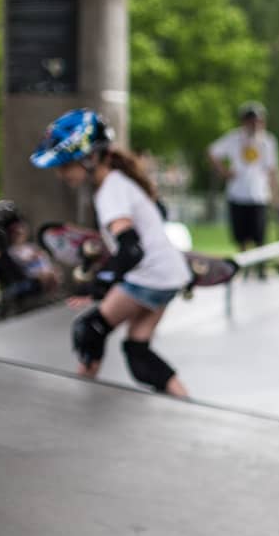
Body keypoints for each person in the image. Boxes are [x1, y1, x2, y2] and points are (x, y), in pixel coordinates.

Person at [29, 109, 192, 397]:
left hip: (149, 276)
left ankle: (80, 399)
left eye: (65, 164)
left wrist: (98, 284)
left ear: (90, 157)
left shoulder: (110, 191)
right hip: (169, 275)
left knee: (90, 329)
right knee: (137, 352)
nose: (60, 172)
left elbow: (131, 249)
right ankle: (187, 402)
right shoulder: (118, 182)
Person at [207, 101, 279, 274]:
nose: (254, 124)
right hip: (237, 194)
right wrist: (224, 172)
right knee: (241, 236)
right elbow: (212, 152)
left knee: (260, 236)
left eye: (257, 120)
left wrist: (276, 194)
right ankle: (246, 269)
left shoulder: (267, 141)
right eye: (250, 120)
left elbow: (272, 170)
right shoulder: (233, 138)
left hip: (259, 195)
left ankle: (261, 269)